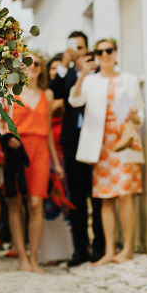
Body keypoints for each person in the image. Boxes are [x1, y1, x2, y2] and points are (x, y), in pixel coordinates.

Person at [68, 38, 144, 265]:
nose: (104, 55)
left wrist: (133, 116)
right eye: (99, 51)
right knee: (105, 199)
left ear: (115, 53)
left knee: (125, 195)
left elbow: (139, 113)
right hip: (101, 146)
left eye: (108, 50)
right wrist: (82, 74)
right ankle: (110, 250)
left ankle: (128, 248)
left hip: (124, 141)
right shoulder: (91, 82)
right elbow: (74, 100)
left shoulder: (129, 80)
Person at [2, 52, 63, 272]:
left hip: (40, 152)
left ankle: (34, 257)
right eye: (28, 62)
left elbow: (47, 129)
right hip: (17, 150)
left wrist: (56, 163)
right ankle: (22, 258)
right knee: (15, 204)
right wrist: (7, 141)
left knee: (36, 204)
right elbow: (3, 125)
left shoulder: (47, 95)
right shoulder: (10, 91)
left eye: (37, 63)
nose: (33, 66)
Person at [50, 31, 105, 266]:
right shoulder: (67, 74)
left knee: (98, 197)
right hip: (73, 141)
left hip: (96, 140)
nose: (79, 52)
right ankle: (80, 250)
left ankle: (101, 247)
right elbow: (55, 93)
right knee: (77, 199)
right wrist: (64, 64)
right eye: (75, 48)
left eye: (82, 47)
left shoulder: (99, 72)